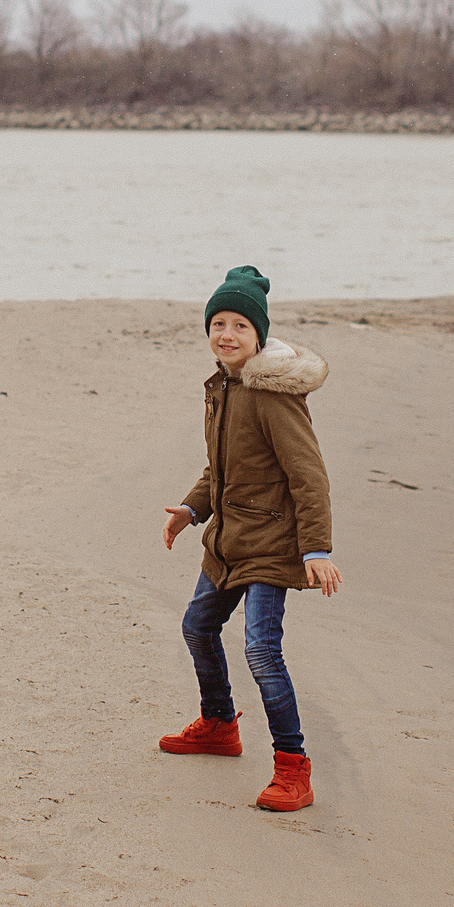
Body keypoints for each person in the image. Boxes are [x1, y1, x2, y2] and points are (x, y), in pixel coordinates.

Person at [157, 265, 341, 813]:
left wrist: (316, 549)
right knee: (197, 627)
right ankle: (219, 725)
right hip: (228, 539)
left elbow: (309, 476)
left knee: (261, 649)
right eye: (219, 323)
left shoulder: (272, 395)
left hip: (273, 543)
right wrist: (192, 509)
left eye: (240, 325)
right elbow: (222, 468)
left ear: (259, 336)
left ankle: (293, 767)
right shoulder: (221, 387)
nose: (228, 334)